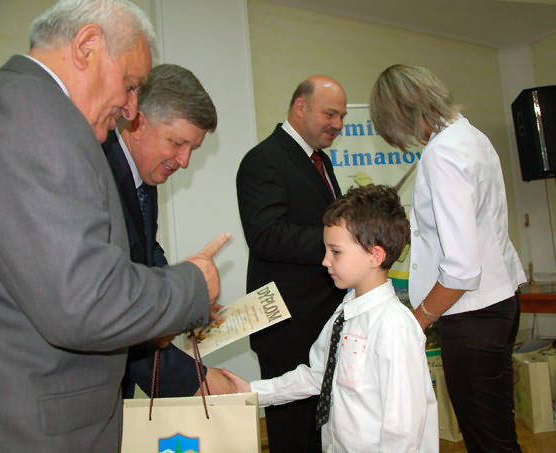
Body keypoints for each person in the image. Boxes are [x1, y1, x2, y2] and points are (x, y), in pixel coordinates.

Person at [0, 1, 228, 451]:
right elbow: (85, 301)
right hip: (31, 428)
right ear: (87, 46)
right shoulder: (31, 115)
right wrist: (194, 286)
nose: (130, 107)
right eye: (131, 84)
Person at [370, 64, 526, 452]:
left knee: (488, 439)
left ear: (402, 113)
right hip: (500, 301)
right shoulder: (471, 137)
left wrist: (418, 320)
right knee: (497, 429)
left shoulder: (441, 154)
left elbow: (461, 269)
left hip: (473, 315)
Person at [225, 184, 439, 452]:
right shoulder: (343, 314)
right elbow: (319, 375)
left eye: (335, 251)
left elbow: (403, 429)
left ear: (374, 256)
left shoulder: (394, 327)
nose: (325, 261)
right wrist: (252, 391)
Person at [103, 63, 233, 398]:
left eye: (193, 149)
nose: (184, 161)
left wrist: (189, 300)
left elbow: (145, 255)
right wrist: (193, 380)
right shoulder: (99, 176)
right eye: (176, 143)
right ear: (138, 123)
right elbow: (112, 306)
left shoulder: (143, 178)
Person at [236, 74, 347, 452]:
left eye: (342, 116)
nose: (338, 124)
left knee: (324, 432)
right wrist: (341, 243)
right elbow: (266, 236)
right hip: (288, 328)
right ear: (300, 106)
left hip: (325, 320)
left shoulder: (321, 161)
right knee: (294, 436)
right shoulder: (263, 159)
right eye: (330, 114)